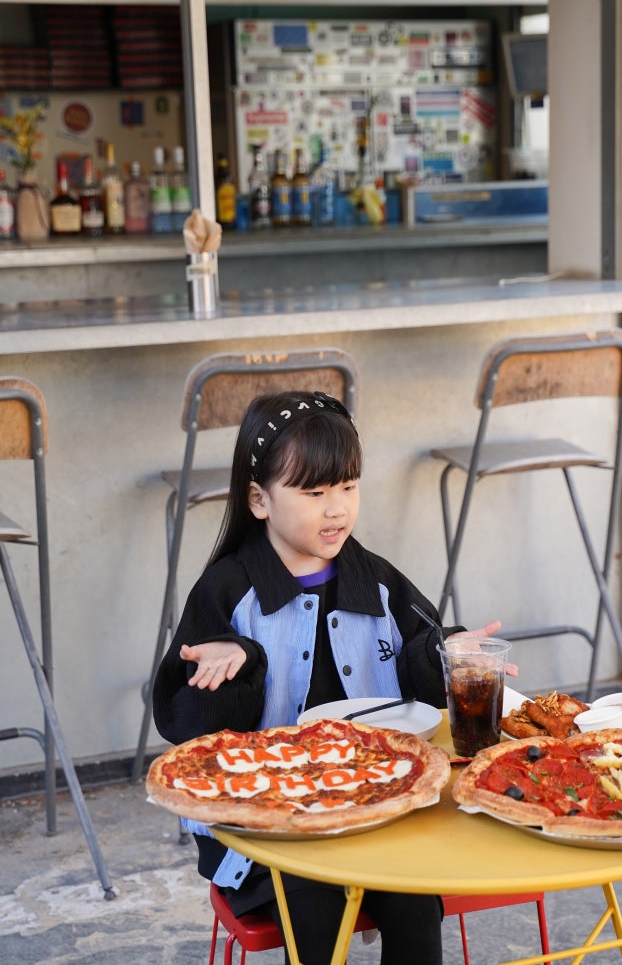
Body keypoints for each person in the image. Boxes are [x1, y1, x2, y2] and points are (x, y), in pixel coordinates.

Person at [152, 390, 507, 965]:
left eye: (347, 486)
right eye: (314, 493)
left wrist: (448, 657)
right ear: (259, 499)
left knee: (417, 904)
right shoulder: (226, 592)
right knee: (314, 905)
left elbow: (419, 664)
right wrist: (236, 664)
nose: (337, 508)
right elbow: (188, 733)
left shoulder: (379, 581)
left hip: (379, 805)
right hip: (269, 827)